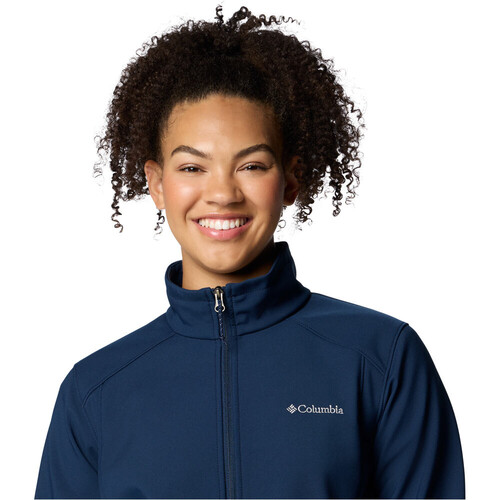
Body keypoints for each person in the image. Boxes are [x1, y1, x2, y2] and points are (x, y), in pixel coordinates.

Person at [34, 5, 465, 499]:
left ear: (291, 180)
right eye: (192, 168)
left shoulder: (380, 360)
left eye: (252, 166)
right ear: (156, 184)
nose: (222, 194)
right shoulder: (95, 391)